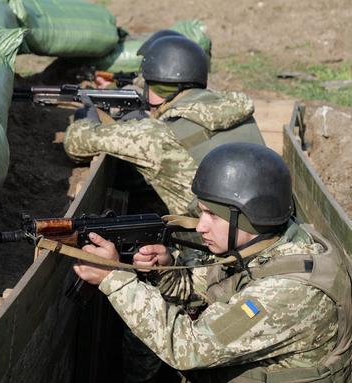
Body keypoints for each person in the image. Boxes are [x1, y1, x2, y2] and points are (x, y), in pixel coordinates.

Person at [73, 142, 352, 382]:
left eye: (212, 215)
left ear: (248, 215)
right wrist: (164, 270)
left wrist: (114, 280)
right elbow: (205, 286)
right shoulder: (267, 245)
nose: (200, 227)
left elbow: (189, 346)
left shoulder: (290, 293)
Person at [64, 35, 265, 216]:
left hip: (205, 244)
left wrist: (88, 114)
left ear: (156, 87)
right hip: (260, 219)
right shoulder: (231, 109)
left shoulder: (157, 136)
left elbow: (75, 143)